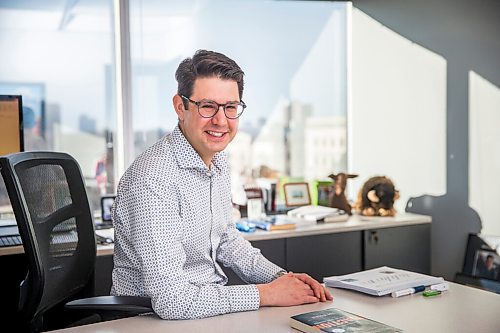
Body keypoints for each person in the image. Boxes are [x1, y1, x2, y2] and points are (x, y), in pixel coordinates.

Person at [111, 49, 332, 320]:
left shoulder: (217, 162)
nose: (221, 120)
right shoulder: (152, 179)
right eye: (207, 106)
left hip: (209, 311)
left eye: (230, 107)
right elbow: (172, 301)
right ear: (181, 107)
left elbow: (227, 240)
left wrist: (281, 279)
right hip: (149, 321)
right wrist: (268, 294)